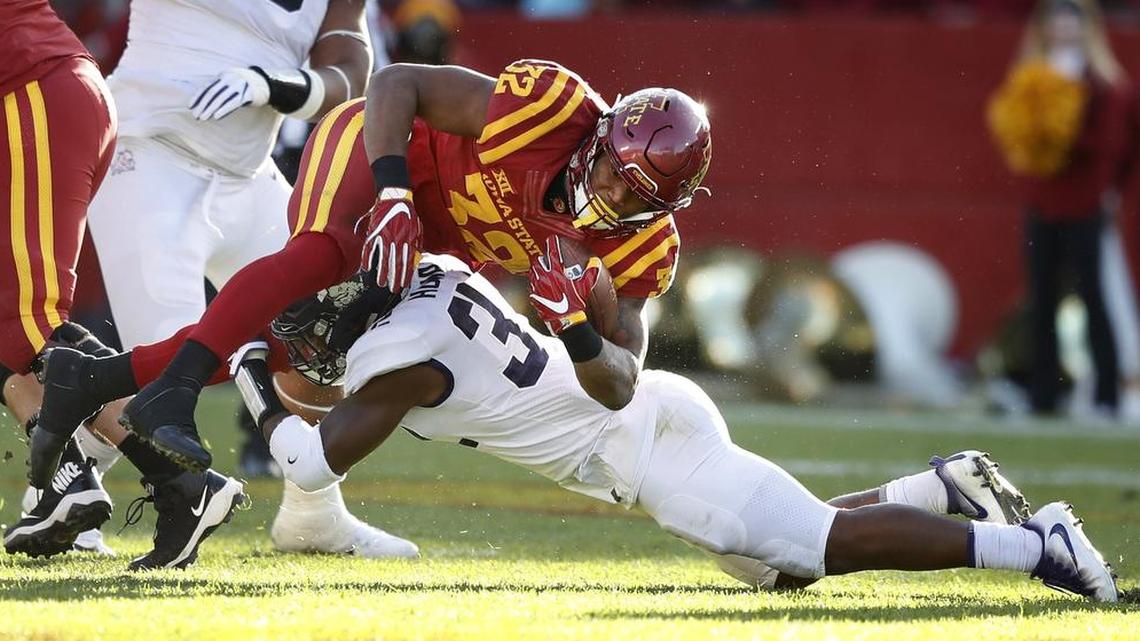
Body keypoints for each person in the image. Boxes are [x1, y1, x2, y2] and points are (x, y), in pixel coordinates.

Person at [252, 254, 1118, 601]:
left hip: (647, 453)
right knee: (783, 569)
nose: (315, 345)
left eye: (317, 328)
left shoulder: (394, 359)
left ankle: (1036, 546)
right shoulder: (434, 276)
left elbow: (312, 463)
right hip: (648, 419)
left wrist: (257, 386)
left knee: (820, 544)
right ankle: (941, 488)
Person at [29, 58, 712, 481]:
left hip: (437, 238)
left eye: (638, 198)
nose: (613, 196)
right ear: (600, 138)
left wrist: (575, 330)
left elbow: (620, 384)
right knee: (322, 255)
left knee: (307, 345)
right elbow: (396, 82)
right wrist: (392, 193)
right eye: (613, 172)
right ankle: (171, 392)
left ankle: (88, 379)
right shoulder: (551, 110)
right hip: (387, 154)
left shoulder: (644, 252)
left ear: (665, 210)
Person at [21, 0, 418, 565]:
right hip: (151, 152)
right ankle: (61, 493)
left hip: (249, 174)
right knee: (166, 364)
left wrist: (275, 85)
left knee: (327, 328)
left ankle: (313, 513)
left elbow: (352, 80)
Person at [0, 1, 237, 567]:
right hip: (37, 91)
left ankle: (132, 478)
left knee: (25, 321)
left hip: (31, 87)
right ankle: (134, 480)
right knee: (16, 324)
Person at [989, 0, 1132, 419]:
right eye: (1057, 22)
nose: (1064, 30)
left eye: (1072, 23)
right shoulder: (1030, 76)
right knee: (1042, 299)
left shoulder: (1103, 83)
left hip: (1085, 203)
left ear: (1087, 29)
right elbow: (1015, 134)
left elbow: (1114, 144)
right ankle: (1044, 396)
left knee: (1093, 297)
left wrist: (1065, 137)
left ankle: (1107, 397)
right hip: (1042, 203)